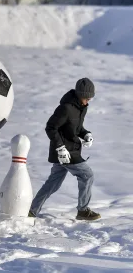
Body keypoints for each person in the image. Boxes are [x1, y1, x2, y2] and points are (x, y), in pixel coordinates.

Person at [29, 78, 101, 221]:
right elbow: (51, 127)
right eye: (87, 98)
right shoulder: (65, 108)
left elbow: (76, 128)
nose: (88, 101)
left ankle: (32, 211)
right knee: (87, 175)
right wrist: (60, 148)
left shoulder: (81, 107)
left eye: (90, 98)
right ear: (80, 94)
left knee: (53, 184)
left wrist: (86, 134)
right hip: (66, 152)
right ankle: (83, 211)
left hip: (70, 151)